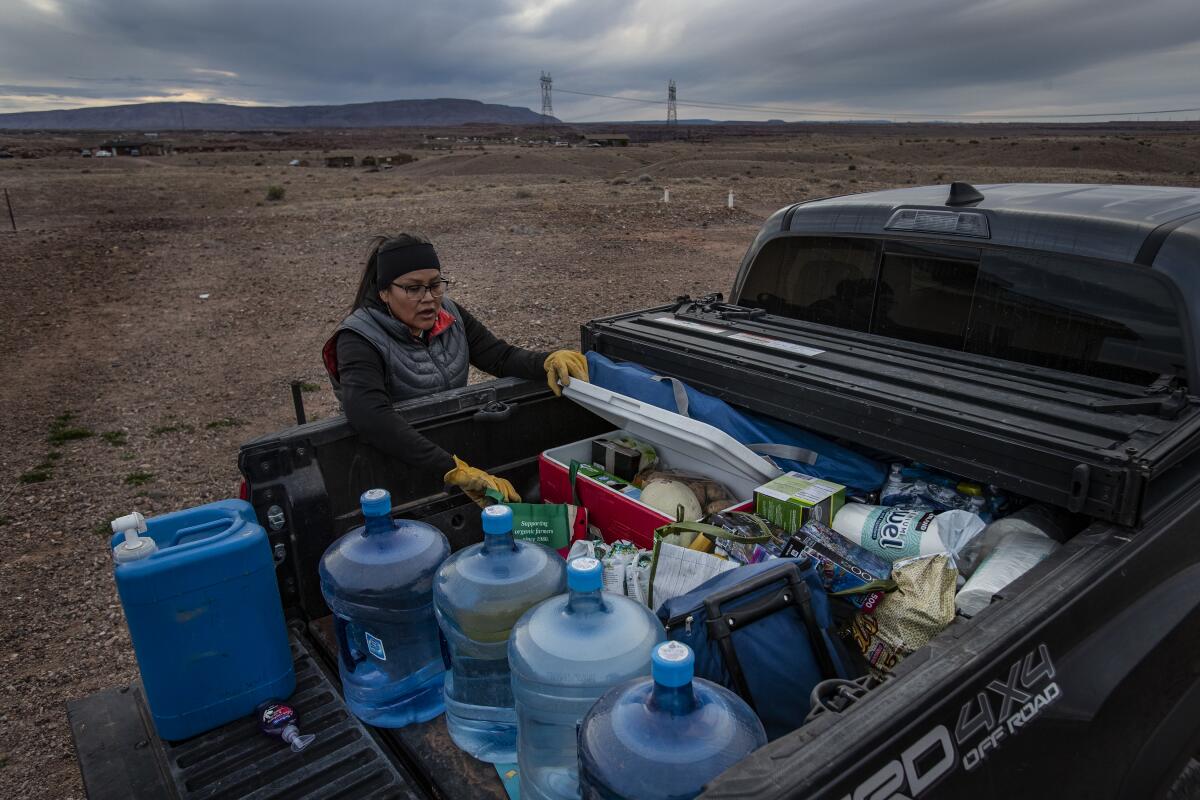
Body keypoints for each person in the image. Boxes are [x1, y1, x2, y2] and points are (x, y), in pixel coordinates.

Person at [323, 234, 588, 506]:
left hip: (448, 452)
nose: (428, 298)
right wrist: (452, 469)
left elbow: (498, 356)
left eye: (435, 285)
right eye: (413, 289)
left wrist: (547, 361)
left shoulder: (450, 315)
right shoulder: (358, 338)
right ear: (384, 292)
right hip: (394, 466)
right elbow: (369, 415)